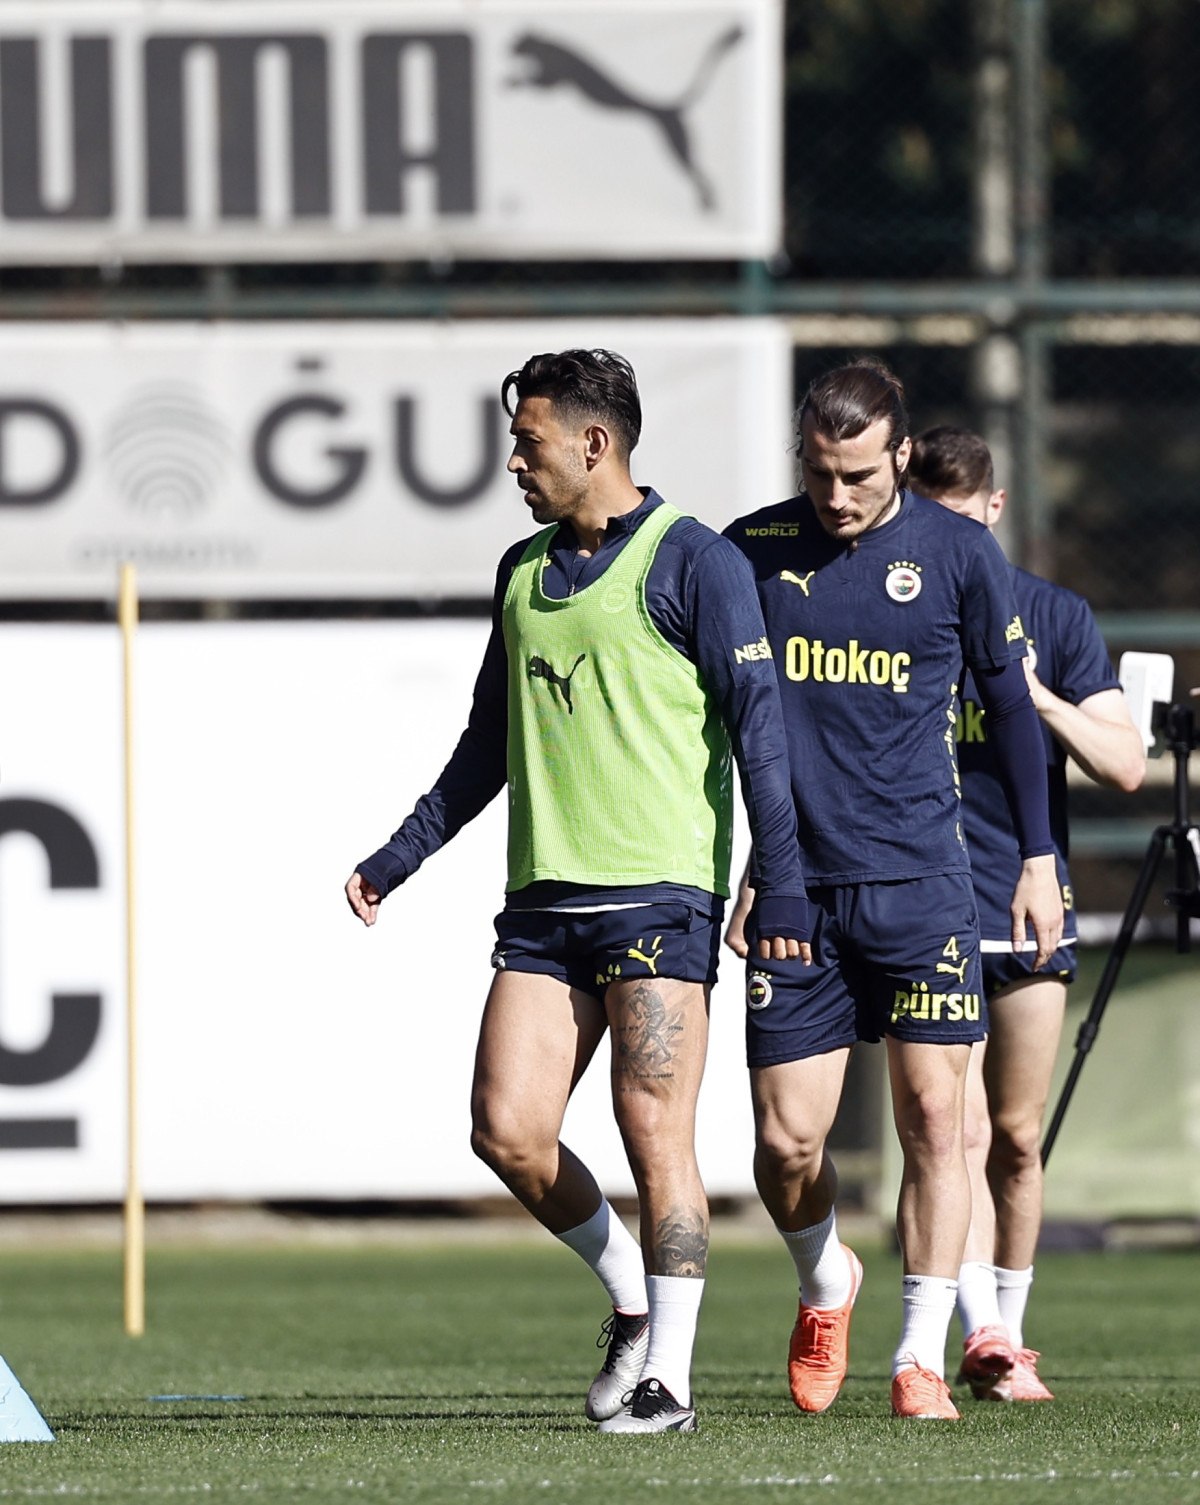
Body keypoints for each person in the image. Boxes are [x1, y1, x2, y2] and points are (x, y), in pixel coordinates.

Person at [345, 348, 811, 1434]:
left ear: (594, 443)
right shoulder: (520, 571)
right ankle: (633, 1298)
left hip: (660, 899)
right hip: (544, 908)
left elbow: (763, 734)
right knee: (506, 1130)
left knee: (655, 1131)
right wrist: (401, 854)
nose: (514, 461)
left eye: (529, 442)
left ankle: (670, 1382)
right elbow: (486, 744)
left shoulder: (696, 560)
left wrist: (781, 884)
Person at [723, 359, 1063, 1421]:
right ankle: (827, 1277)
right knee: (787, 1144)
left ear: (902, 455)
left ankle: (919, 1354)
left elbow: (1012, 708)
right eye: (819, 472)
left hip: (923, 883)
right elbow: (710, 722)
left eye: (860, 474)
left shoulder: (959, 553)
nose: (836, 496)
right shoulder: (751, 550)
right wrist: (748, 868)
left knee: (935, 1118)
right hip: (797, 891)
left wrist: (1039, 858)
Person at [907, 426, 1145, 1402]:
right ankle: (985, 1335)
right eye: (931, 523)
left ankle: (1010, 1320)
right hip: (930, 904)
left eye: (965, 524)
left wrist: (1030, 692)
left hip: (1030, 900)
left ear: (995, 511)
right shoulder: (895, 612)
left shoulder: (1053, 614)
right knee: (951, 1128)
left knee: (1014, 1134)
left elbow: (1124, 763)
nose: (949, 545)